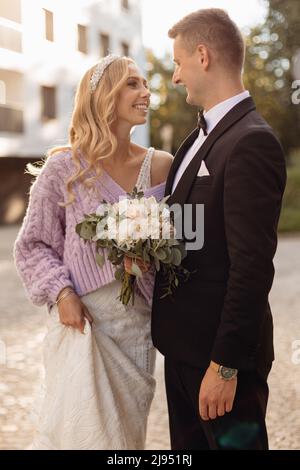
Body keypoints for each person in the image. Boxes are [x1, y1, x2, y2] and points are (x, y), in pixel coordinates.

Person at [13, 54, 173, 450]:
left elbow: (185, 239)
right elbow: (32, 245)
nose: (145, 92)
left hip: (137, 327)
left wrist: (153, 253)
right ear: (104, 96)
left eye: (145, 84)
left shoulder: (161, 167)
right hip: (81, 325)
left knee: (126, 440)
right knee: (82, 435)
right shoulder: (64, 169)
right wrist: (62, 293)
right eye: (132, 84)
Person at [151, 9, 287, 450]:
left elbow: (251, 267)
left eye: (178, 62)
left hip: (220, 364)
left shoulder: (252, 141)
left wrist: (224, 365)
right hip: (183, 354)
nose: (174, 77)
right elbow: (193, 235)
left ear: (203, 55)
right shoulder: (195, 140)